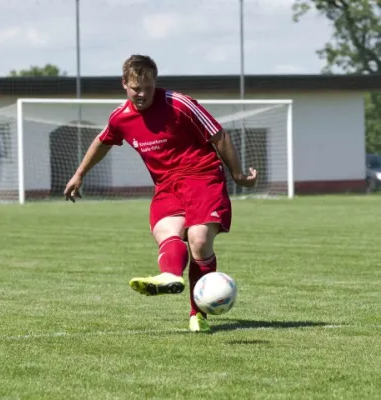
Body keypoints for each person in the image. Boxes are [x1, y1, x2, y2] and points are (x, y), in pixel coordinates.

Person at [64, 55, 257, 333]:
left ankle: (197, 313)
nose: (142, 94)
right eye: (136, 89)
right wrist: (80, 173)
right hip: (166, 186)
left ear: (156, 83)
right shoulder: (121, 117)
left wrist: (238, 174)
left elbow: (219, 135)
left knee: (199, 241)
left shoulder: (179, 103)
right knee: (167, 233)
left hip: (202, 177)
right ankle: (170, 275)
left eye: (148, 88)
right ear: (124, 85)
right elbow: (103, 140)